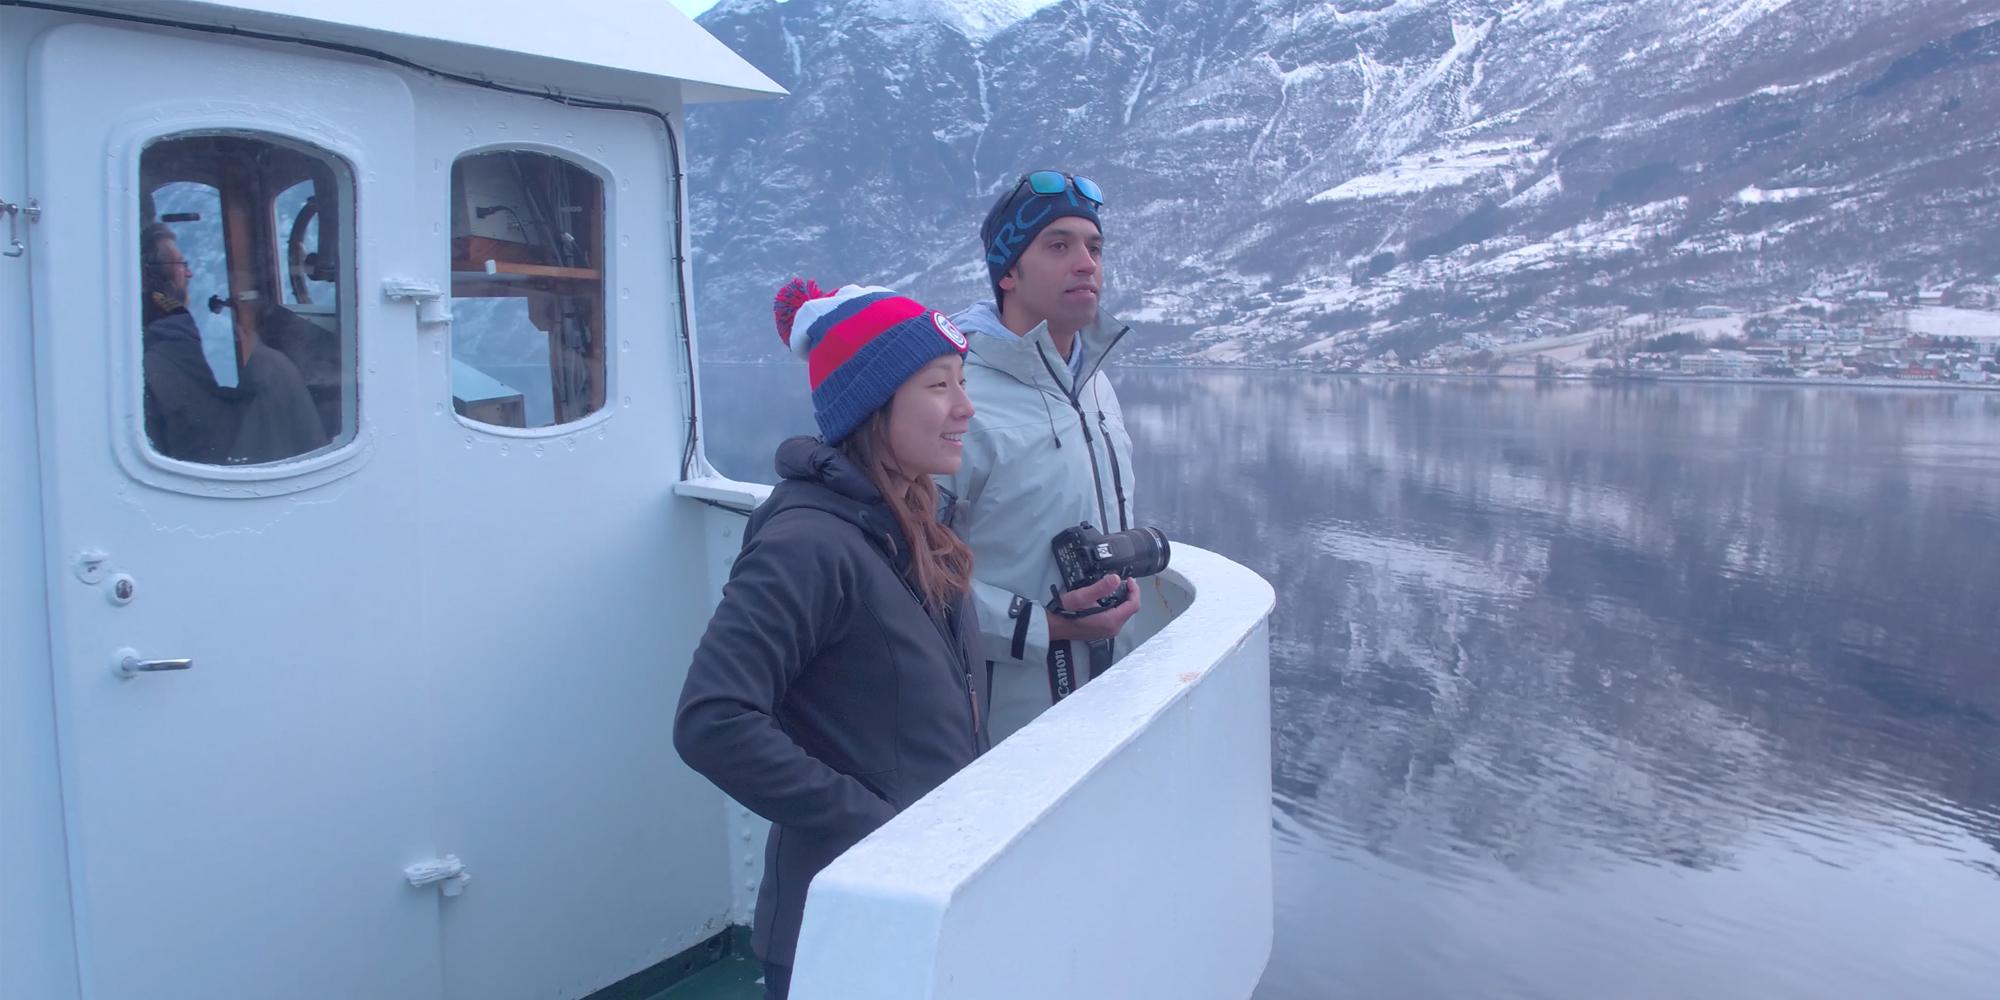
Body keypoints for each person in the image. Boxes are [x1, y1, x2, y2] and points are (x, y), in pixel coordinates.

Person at [673, 279, 987, 1000]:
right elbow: (712, 720)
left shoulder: (918, 524)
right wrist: (879, 828)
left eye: (962, 383)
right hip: (841, 923)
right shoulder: (808, 542)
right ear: (874, 407)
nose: (965, 408)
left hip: (919, 900)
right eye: (940, 386)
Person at [938, 169, 1145, 742]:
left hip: (1110, 701)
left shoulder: (1096, 385)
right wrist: (1047, 627)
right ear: (1008, 272)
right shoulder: (955, 395)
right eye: (1059, 246)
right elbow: (909, 572)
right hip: (1004, 727)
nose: (1087, 263)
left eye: (1095, 247)